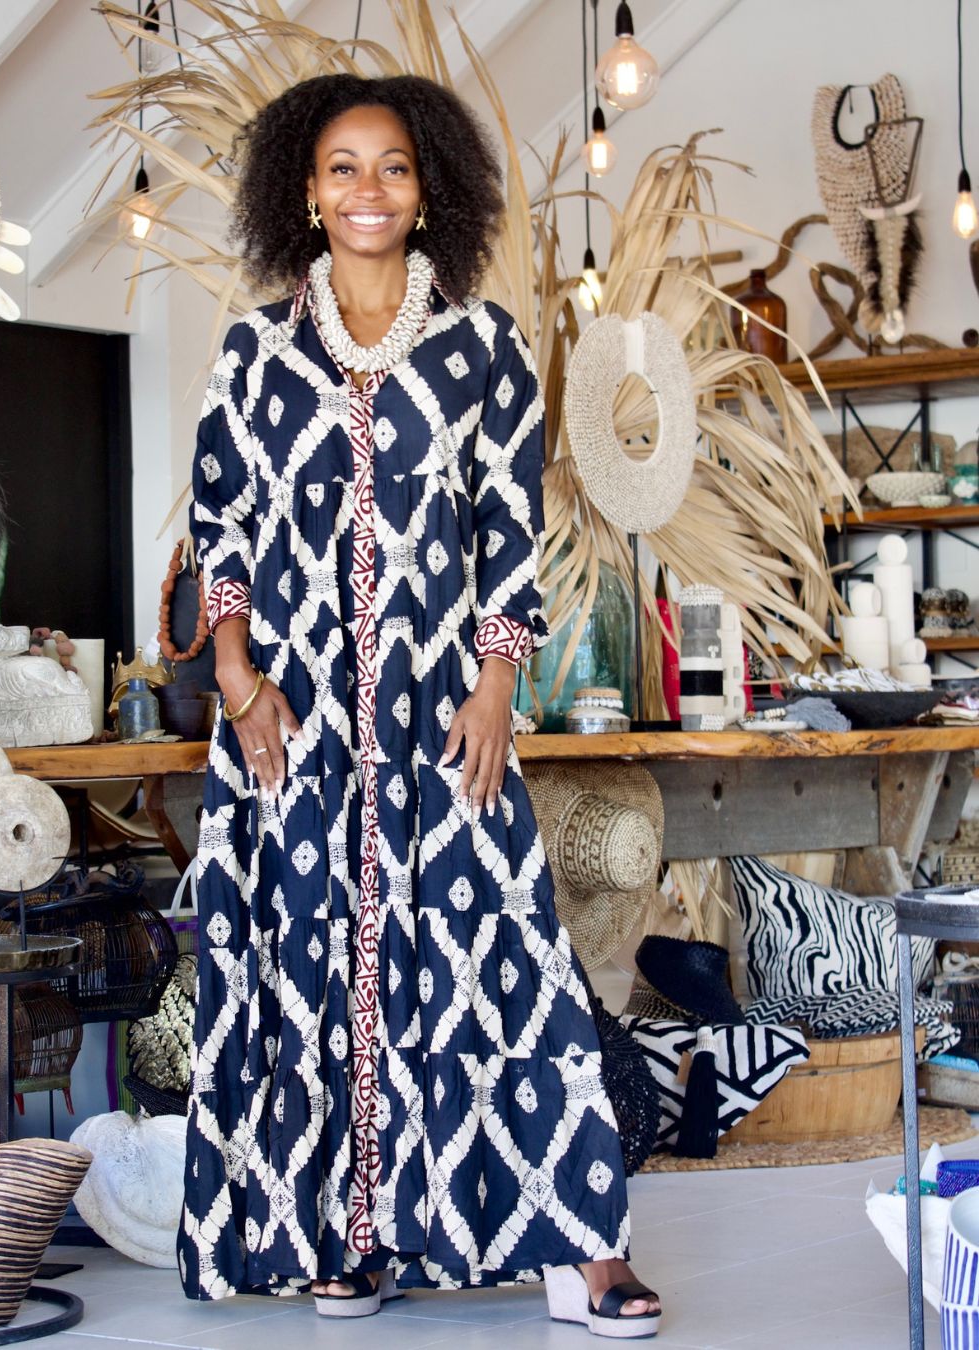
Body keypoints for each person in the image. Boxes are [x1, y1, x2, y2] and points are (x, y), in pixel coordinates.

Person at [179, 71, 661, 1340]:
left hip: (444, 716)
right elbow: (222, 525)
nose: (369, 190)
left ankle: (582, 1249)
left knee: (508, 960)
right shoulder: (255, 351)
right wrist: (236, 679)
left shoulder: (480, 347)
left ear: (427, 186)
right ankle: (354, 1236)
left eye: (392, 166)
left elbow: (509, 526)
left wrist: (499, 681)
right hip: (295, 725)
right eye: (343, 167)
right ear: (305, 190)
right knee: (313, 962)